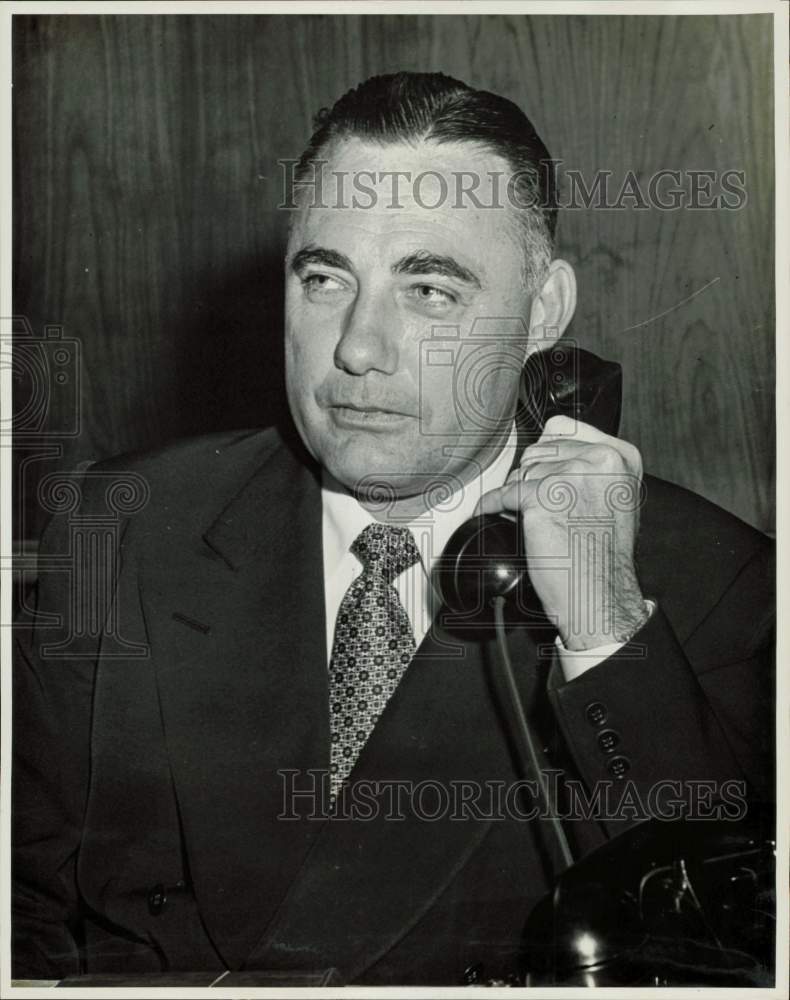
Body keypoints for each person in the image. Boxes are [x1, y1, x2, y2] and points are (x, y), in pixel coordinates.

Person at [13, 72, 774, 986]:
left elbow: (715, 956)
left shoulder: (713, 589)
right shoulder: (122, 531)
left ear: (542, 314)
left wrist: (604, 632)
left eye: (429, 291)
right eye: (326, 278)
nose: (356, 348)